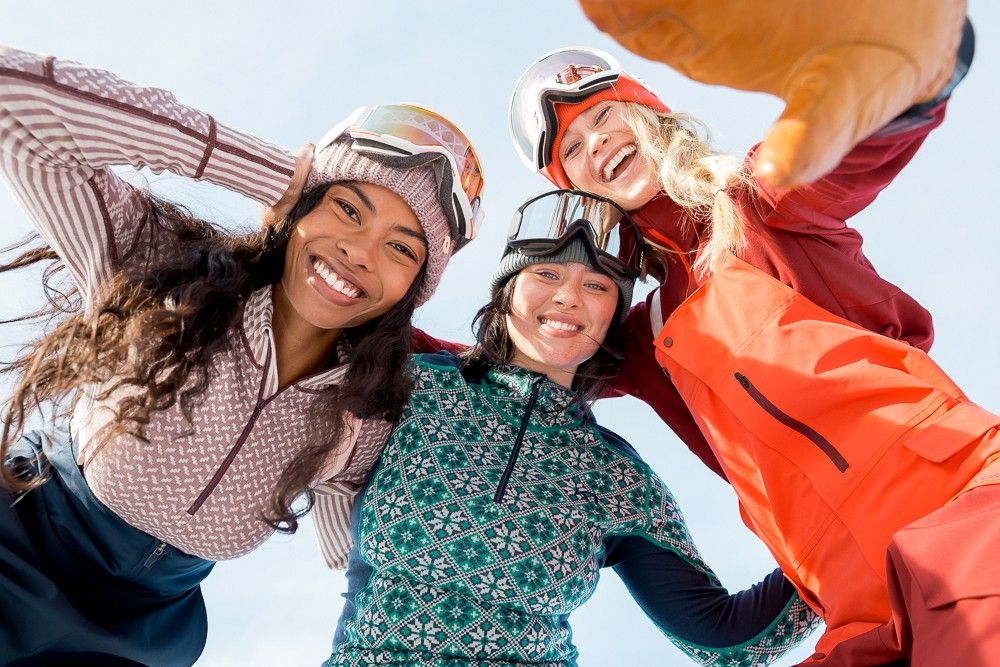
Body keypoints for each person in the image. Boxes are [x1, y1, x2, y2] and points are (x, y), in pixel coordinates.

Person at [507, 37, 1000, 666]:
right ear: (573, 191)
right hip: (855, 606)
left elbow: (855, 132)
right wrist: (357, 334)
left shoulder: (761, 203)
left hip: (955, 511)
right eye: (571, 149)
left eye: (602, 114)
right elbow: (503, 365)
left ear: (648, 112)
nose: (596, 142)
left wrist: (913, 63)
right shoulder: (641, 337)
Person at [0, 45, 483, 666]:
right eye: (345, 207)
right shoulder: (157, 266)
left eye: (400, 248)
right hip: (27, 531)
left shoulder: (367, 413)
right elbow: (15, 100)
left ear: (415, 289)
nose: (360, 252)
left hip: (142, 629)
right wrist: (268, 172)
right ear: (299, 208)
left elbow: (355, 555)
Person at [324, 189, 820, 666]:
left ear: (612, 317)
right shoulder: (413, 382)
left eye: (597, 286)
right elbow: (309, 294)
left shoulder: (618, 479)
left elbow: (725, 641)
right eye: (546, 273)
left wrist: (848, 545)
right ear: (507, 291)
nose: (569, 297)